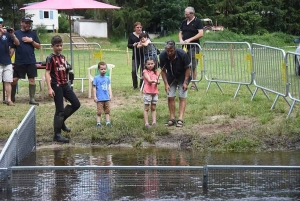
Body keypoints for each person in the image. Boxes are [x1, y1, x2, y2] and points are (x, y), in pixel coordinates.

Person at [45, 35, 81, 143]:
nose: (59, 48)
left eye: (61, 45)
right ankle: (57, 135)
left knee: (76, 104)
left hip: (65, 85)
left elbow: (66, 71)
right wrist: (49, 88)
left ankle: (61, 123)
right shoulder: (50, 58)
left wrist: (69, 84)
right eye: (57, 46)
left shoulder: (63, 57)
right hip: (57, 86)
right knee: (59, 110)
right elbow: (47, 73)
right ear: (52, 46)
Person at [159, 40, 191, 127]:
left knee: (182, 96)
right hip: (171, 76)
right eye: (167, 51)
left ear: (175, 48)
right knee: (170, 97)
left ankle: (180, 119)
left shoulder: (183, 54)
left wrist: (185, 82)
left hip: (183, 76)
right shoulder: (162, 56)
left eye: (171, 51)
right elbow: (163, 71)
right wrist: (166, 84)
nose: (169, 53)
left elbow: (188, 68)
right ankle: (172, 118)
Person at [11, 16, 41, 105]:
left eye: (29, 23)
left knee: (32, 79)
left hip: (31, 61)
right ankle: (11, 97)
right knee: (14, 79)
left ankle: (32, 99)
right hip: (19, 61)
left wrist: (31, 41)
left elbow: (38, 46)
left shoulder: (33, 34)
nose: (28, 24)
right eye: (26, 22)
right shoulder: (16, 33)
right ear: (21, 23)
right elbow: (12, 47)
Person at [179, 6, 203, 90]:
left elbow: (201, 34)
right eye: (185, 14)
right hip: (184, 47)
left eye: (187, 14)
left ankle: (193, 83)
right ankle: (184, 81)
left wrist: (190, 39)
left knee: (193, 65)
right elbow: (180, 32)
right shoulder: (184, 22)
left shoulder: (198, 21)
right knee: (183, 65)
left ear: (192, 14)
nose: (185, 16)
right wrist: (181, 40)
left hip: (194, 47)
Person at [0, 17, 20, 106]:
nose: (0, 24)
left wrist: (12, 34)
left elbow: (17, 43)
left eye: (1, 23)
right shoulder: (2, 33)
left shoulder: (7, 34)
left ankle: (9, 100)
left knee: (8, 81)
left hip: (7, 61)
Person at [127, 22, 147, 90]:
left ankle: (141, 85)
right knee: (134, 70)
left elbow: (149, 41)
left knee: (143, 71)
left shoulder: (144, 34)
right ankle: (134, 85)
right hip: (135, 56)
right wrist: (133, 45)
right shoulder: (131, 35)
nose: (139, 28)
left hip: (144, 56)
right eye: (137, 27)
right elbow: (128, 45)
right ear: (134, 28)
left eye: (140, 27)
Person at [93, 61, 113, 128]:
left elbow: (109, 87)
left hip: (106, 98)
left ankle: (108, 122)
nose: (103, 70)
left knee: (107, 111)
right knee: (99, 112)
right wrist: (95, 96)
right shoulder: (96, 78)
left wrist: (110, 95)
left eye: (104, 69)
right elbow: (94, 88)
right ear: (98, 70)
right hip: (100, 99)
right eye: (101, 69)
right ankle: (98, 123)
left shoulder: (107, 78)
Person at [142, 57, 159, 128]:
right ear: (145, 65)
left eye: (152, 64)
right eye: (148, 64)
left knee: (153, 108)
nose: (150, 65)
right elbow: (149, 80)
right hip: (147, 92)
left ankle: (154, 122)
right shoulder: (145, 71)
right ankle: (146, 123)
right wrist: (154, 81)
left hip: (154, 92)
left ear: (154, 64)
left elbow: (158, 81)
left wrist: (158, 82)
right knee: (146, 108)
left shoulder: (156, 72)